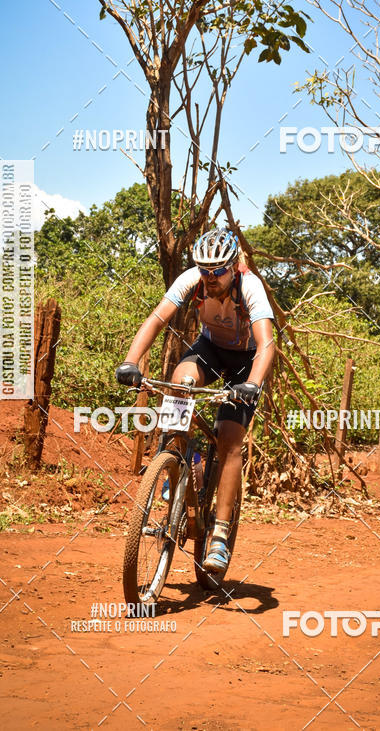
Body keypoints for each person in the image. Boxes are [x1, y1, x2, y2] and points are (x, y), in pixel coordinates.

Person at [115, 228, 275, 573]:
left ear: (234, 266)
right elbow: (157, 319)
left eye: (218, 271)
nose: (210, 277)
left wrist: (252, 384)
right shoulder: (192, 280)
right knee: (180, 383)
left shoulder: (250, 287)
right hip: (210, 350)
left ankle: (219, 535)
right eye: (204, 270)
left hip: (246, 361)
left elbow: (266, 344)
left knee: (230, 441)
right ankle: (180, 463)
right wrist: (130, 361)